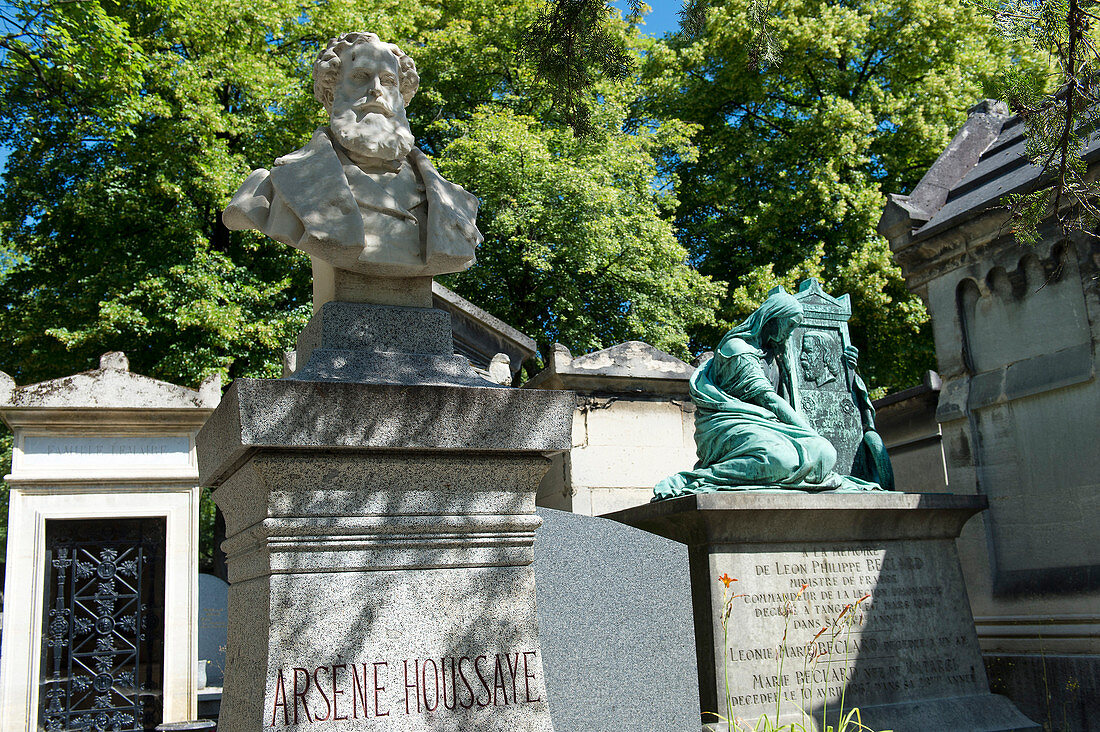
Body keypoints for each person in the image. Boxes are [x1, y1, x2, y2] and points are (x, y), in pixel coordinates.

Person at [223, 32, 482, 279]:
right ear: (330, 92)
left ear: (402, 98)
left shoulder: (455, 201)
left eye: (389, 81)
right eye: (361, 76)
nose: (377, 91)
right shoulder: (270, 188)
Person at [654, 290, 880, 499]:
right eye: (790, 326)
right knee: (781, 460)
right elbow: (768, 399)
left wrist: (846, 368)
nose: (792, 333)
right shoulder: (737, 349)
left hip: (769, 425)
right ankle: (699, 478)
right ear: (772, 319)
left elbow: (818, 386)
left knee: (825, 453)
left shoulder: (776, 354)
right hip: (730, 424)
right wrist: (808, 432)